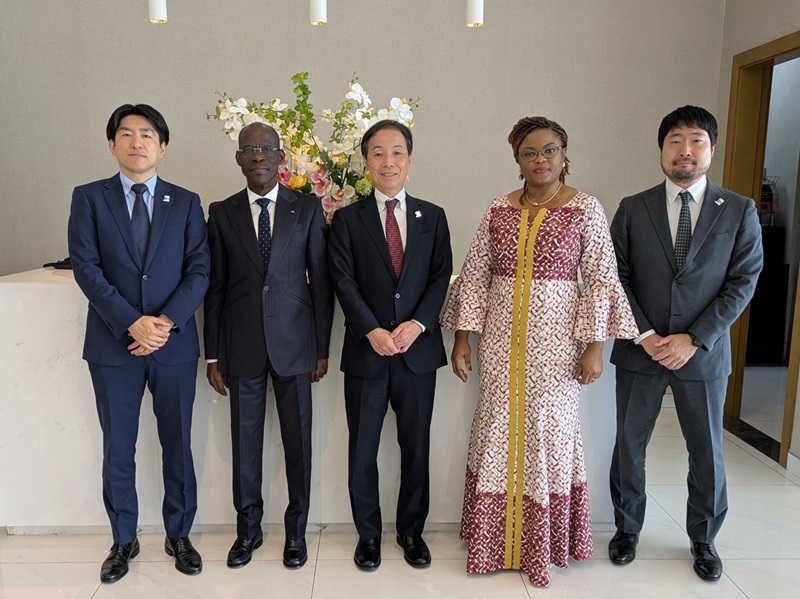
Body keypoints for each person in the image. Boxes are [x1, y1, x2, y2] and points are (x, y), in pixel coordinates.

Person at [442, 116, 638, 587]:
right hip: (500, 345)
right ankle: (493, 541)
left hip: (557, 346)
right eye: (529, 153)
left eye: (549, 150)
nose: (540, 160)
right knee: (497, 430)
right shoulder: (498, 208)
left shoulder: (585, 208)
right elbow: (476, 275)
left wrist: (595, 347)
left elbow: (600, 280)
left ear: (564, 154)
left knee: (549, 434)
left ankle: (542, 543)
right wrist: (464, 338)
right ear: (517, 160)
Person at [608, 105, 763, 581]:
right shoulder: (633, 208)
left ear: (711, 150)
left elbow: (743, 281)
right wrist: (647, 335)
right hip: (642, 350)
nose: (685, 151)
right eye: (675, 141)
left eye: (696, 140)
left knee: (706, 450)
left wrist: (694, 338)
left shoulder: (738, 209)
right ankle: (627, 529)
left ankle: (704, 538)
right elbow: (615, 278)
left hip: (703, 353)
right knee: (629, 445)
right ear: (661, 149)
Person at [67, 104, 210, 583]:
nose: (137, 142)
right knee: (118, 448)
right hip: (113, 347)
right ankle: (123, 539)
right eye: (126, 134)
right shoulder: (89, 198)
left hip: (173, 344)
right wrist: (132, 323)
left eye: (147, 134)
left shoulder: (186, 202)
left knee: (178, 445)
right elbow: (86, 268)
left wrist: (163, 323)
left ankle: (179, 535)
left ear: (162, 147)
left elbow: (199, 269)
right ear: (112, 144)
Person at [203, 122, 333, 570]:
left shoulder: (307, 207)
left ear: (281, 158)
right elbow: (215, 288)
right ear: (238, 159)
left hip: (296, 346)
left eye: (266, 149)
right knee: (245, 447)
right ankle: (248, 531)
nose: (257, 155)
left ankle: (296, 533)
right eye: (248, 149)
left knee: (299, 447)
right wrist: (213, 353)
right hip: (240, 347)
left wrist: (321, 348)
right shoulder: (221, 212)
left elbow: (321, 283)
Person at [328, 120, 453, 570]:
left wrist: (417, 324)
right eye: (378, 153)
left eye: (397, 151)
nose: (388, 161)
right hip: (368, 352)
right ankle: (368, 535)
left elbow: (440, 277)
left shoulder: (432, 216)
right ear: (366, 161)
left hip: (417, 354)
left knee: (415, 447)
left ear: (409, 158)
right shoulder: (347, 219)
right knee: (362, 450)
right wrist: (372, 330)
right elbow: (342, 279)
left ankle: (411, 532)